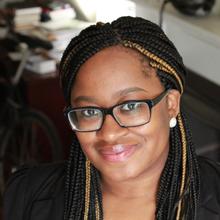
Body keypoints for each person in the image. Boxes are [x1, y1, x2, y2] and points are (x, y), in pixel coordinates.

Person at [4, 16, 220, 220]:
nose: (109, 133)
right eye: (89, 112)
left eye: (130, 106)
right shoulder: (27, 195)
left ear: (171, 104)